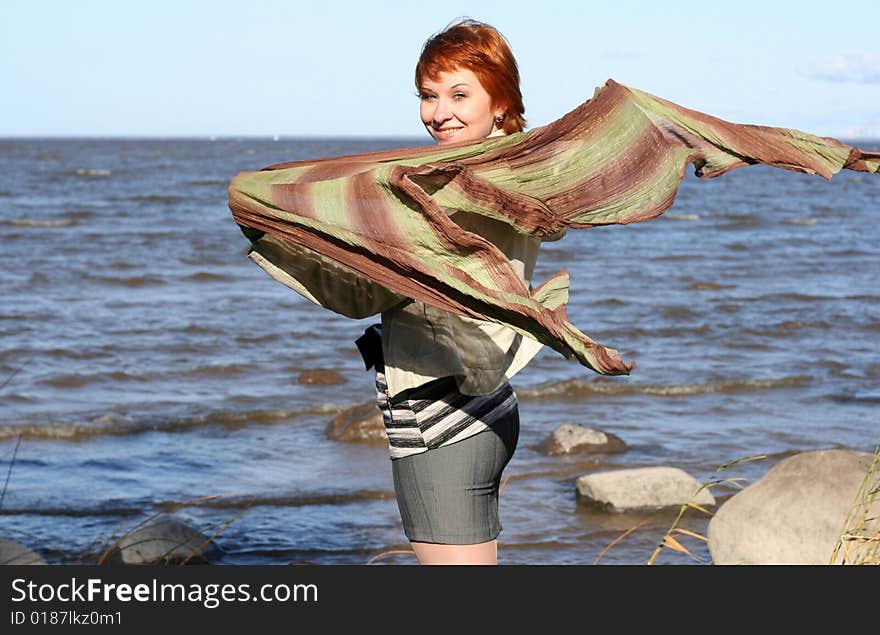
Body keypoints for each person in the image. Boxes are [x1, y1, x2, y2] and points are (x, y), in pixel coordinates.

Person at [246, 18, 563, 564]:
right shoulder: (519, 172)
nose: (440, 113)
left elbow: (376, 287)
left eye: (460, 94)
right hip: (487, 402)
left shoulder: (461, 185)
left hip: (443, 417)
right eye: (428, 95)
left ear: (501, 102)